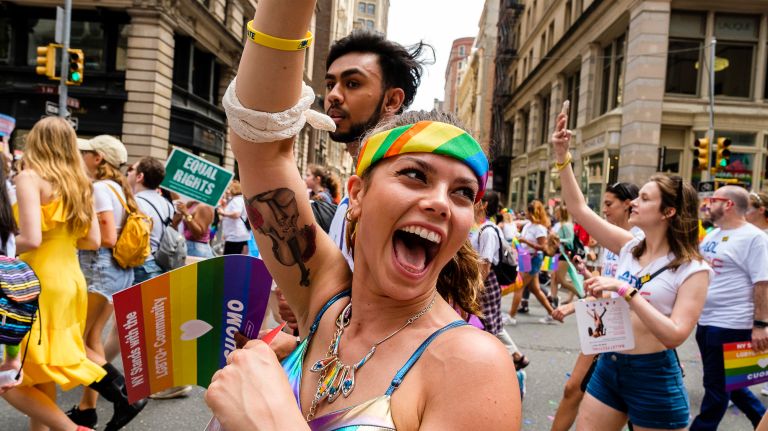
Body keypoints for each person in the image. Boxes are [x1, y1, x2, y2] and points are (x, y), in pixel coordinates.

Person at [205, 2, 521, 430]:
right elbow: (259, 140)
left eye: (463, 193)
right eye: (414, 175)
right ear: (356, 195)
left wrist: (270, 419)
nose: (441, 202)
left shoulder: (472, 363)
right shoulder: (322, 295)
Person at [552, 104, 711, 431]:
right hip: (610, 366)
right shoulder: (628, 245)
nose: (634, 202)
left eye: (646, 199)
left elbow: (675, 335)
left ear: (668, 212)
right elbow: (579, 209)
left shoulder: (692, 269)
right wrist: (562, 155)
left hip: (653, 376)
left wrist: (627, 291)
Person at [1, 117, 102, 431]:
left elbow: (29, 238)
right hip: (71, 278)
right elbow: (93, 240)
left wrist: (4, 244)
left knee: (12, 377)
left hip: (35, 277)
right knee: (39, 370)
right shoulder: (81, 182)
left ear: (35, 142)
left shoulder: (30, 177)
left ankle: (73, 430)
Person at [69, 135, 147, 430]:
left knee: (75, 343)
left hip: (99, 272)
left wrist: (67, 238)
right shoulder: (117, 188)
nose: (81, 156)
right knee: (92, 341)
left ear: (98, 159)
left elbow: (106, 239)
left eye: (85, 152)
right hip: (113, 272)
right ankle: (87, 409)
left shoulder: (99, 188)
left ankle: (125, 396)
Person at [548, 183, 640, 431]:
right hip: (604, 324)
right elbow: (603, 286)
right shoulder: (610, 243)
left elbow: (633, 292)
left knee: (631, 407)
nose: (605, 210)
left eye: (609, 204)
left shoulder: (639, 242)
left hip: (632, 334)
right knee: (573, 388)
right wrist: (587, 279)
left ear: (628, 204)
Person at [690, 186, 768, 430]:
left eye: (713, 200)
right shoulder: (713, 234)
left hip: (731, 323)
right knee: (730, 383)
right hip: (706, 320)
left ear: (729, 205)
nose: (707, 204)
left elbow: (763, 283)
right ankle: (762, 420)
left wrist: (760, 325)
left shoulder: (755, 238)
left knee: (716, 388)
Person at [471, 190, 529, 370]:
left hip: (485, 284)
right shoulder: (481, 227)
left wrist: (473, 289)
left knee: (486, 325)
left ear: (484, 205)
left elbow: (486, 265)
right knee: (492, 323)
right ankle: (516, 356)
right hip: (483, 283)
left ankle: (493, 365)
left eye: (475, 199)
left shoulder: (488, 230)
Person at [127, 156, 175, 283]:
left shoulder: (135, 203)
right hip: (156, 263)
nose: (129, 172)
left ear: (140, 177)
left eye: (132, 169)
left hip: (138, 266)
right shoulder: (167, 204)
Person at [508, 199, 556, 322]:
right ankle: (553, 313)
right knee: (535, 289)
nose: (526, 213)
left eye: (528, 211)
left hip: (533, 259)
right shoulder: (529, 225)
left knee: (519, 287)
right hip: (526, 258)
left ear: (533, 212)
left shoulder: (539, 228)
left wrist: (525, 241)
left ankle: (511, 316)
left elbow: (543, 247)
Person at [217, 180, 251, 255]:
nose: (227, 191)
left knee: (229, 259)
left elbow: (237, 214)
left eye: (229, 189)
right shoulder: (239, 199)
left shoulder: (237, 200)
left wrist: (223, 213)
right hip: (237, 235)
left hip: (235, 236)